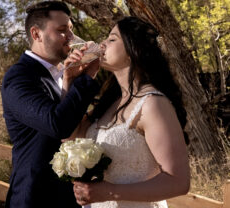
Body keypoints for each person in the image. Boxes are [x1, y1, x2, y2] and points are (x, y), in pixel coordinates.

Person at [65, 16, 190, 208]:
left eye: (112, 39)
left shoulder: (152, 103)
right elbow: (68, 138)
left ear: (133, 51)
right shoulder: (109, 102)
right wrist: (70, 83)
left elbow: (179, 182)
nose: (102, 44)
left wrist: (107, 192)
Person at [1, 1, 100, 208]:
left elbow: (69, 128)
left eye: (71, 30)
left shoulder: (63, 73)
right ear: (36, 34)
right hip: (35, 197)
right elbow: (57, 124)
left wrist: (70, 82)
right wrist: (88, 76)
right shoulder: (19, 77)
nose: (71, 38)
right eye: (62, 31)